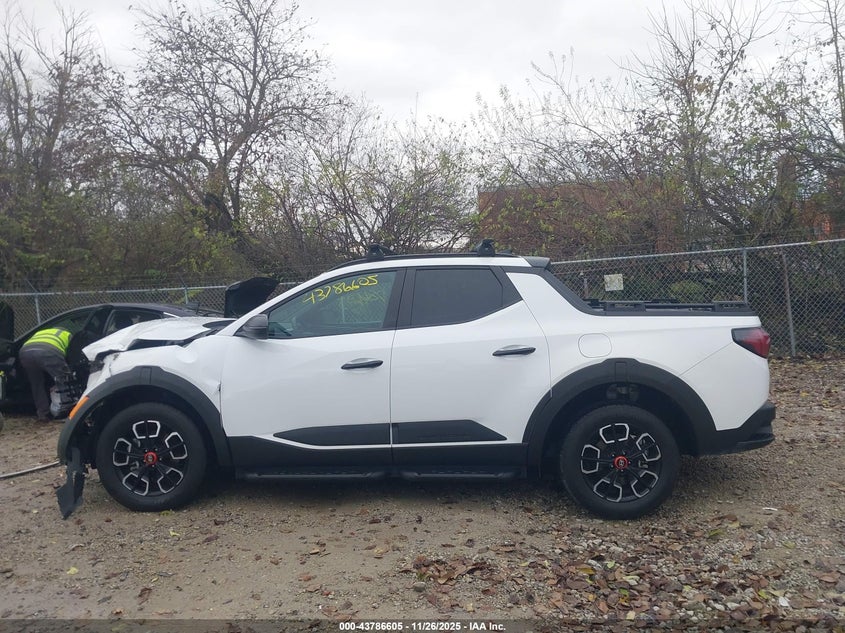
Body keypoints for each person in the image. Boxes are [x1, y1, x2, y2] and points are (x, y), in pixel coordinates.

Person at [19, 326, 72, 421]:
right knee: (63, 380)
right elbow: (72, 354)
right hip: (49, 352)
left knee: (36, 384)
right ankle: (66, 411)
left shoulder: (41, 332)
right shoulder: (67, 334)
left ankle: (43, 413)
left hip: (25, 352)